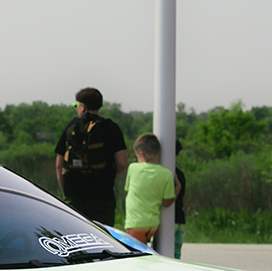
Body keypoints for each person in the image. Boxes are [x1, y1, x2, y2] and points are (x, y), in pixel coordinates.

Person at [54, 87, 128, 224]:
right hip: (103, 196)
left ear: (82, 107)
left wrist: (65, 192)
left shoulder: (71, 127)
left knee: (74, 237)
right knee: (103, 238)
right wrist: (109, 175)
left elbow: (59, 165)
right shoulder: (111, 127)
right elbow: (122, 162)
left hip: (74, 195)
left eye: (76, 105)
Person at [123, 132, 179, 247]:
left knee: (138, 255)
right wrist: (178, 188)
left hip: (135, 223)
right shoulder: (166, 174)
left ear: (141, 154)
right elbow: (167, 202)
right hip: (153, 224)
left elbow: (127, 189)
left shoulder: (133, 168)